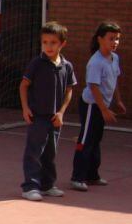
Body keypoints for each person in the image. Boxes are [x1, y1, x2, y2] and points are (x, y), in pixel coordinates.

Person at [19, 21, 76, 201]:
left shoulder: (66, 66)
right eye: (45, 42)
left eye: (53, 42)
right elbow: (23, 85)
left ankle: (47, 185)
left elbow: (69, 90)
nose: (48, 46)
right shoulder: (37, 63)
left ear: (62, 44)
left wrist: (61, 113)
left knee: (50, 153)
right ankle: (30, 186)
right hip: (38, 116)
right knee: (34, 152)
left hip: (54, 118)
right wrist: (25, 107)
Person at [71, 21, 125, 191]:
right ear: (100, 39)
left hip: (103, 106)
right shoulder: (96, 62)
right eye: (111, 38)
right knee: (85, 140)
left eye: (117, 39)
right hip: (91, 106)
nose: (114, 42)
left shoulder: (114, 58)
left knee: (96, 140)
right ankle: (77, 177)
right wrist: (103, 109)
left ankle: (92, 175)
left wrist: (118, 101)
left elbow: (114, 80)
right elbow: (93, 87)